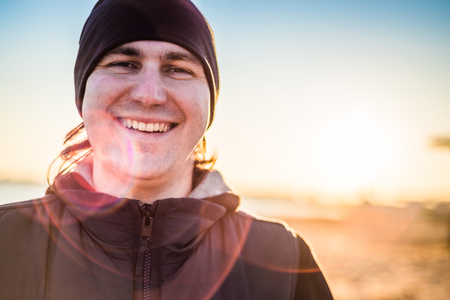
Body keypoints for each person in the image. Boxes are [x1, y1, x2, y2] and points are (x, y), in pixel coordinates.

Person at [0, 0, 334, 299]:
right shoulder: (6, 240)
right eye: (123, 63)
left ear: (210, 106)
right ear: (82, 96)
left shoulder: (285, 261)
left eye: (178, 69)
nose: (150, 94)